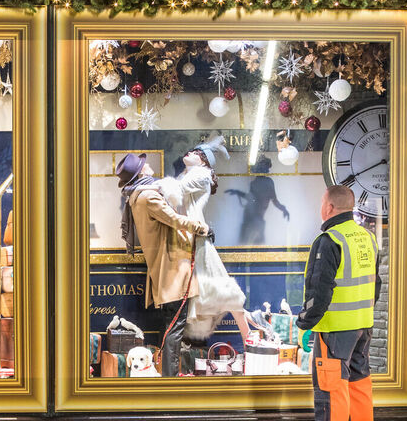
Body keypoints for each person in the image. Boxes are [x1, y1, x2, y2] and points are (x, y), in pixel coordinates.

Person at [294, 184, 381, 421]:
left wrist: (305, 323)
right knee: (359, 384)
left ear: (329, 207)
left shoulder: (329, 239)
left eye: (322, 202)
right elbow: (375, 285)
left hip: (334, 329)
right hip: (362, 326)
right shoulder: (367, 237)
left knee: (331, 389)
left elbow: (319, 291)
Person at [116, 152, 209, 377]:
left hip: (165, 271)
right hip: (173, 271)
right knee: (175, 328)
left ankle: (168, 378)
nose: (147, 165)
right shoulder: (148, 196)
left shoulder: (137, 196)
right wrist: (201, 227)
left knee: (170, 326)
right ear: (140, 173)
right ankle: (171, 382)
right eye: (143, 165)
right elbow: (173, 219)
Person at [157, 137, 252, 343]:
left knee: (218, 282)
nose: (188, 154)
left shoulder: (201, 175)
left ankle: (249, 335)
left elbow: (175, 191)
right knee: (211, 284)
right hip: (191, 234)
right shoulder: (191, 175)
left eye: (194, 153)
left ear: (203, 160)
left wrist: (153, 186)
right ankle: (249, 334)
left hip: (196, 236)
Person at [226, 155, 290, 245]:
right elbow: (252, 198)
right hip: (250, 218)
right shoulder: (255, 183)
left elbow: (273, 200)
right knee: (247, 247)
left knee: (256, 247)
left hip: (256, 219)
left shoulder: (267, 182)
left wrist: (284, 209)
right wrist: (237, 192)